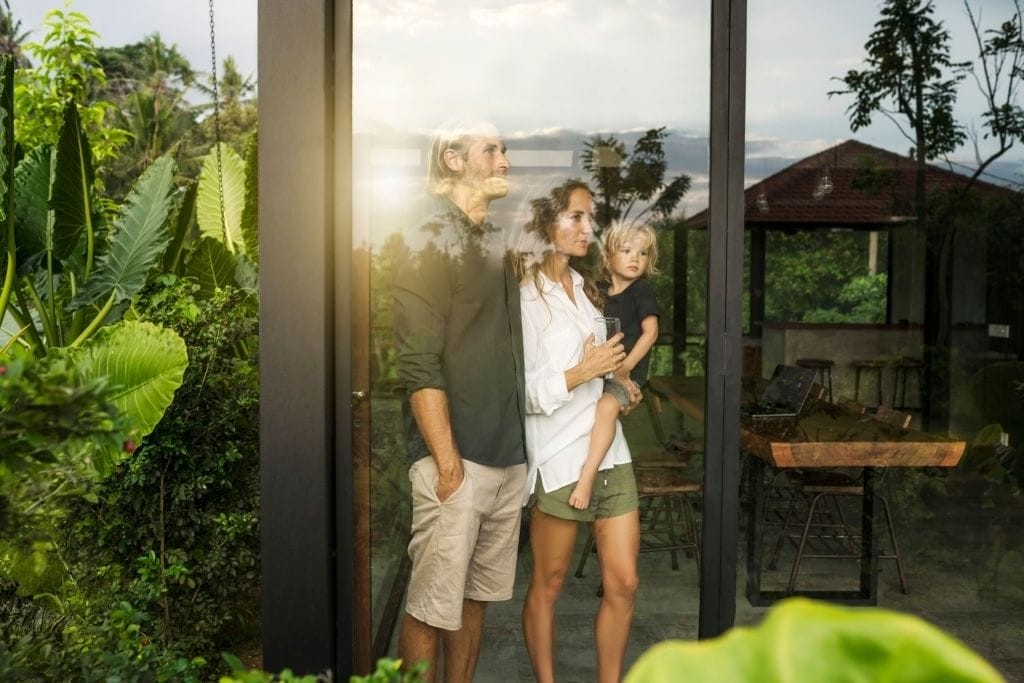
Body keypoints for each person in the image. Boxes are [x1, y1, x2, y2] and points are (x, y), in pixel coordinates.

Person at [392, 122, 527, 683]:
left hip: (506, 458)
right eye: (491, 149)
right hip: (457, 463)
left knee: (475, 600)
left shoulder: (492, 240)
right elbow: (418, 362)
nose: (504, 160)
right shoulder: (426, 238)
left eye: (503, 150)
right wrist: (448, 465)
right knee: (429, 605)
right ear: (453, 159)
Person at [517, 179, 642, 683]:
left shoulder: (586, 290)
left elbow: (600, 369)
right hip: (560, 457)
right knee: (548, 584)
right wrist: (583, 372)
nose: (588, 227)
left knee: (625, 583)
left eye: (590, 217)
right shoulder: (524, 299)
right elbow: (520, 393)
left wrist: (619, 386)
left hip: (611, 451)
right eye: (576, 217)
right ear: (546, 223)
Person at [568, 221, 661, 510]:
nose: (636, 257)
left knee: (607, 408)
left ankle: (588, 475)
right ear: (608, 257)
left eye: (643, 253)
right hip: (601, 370)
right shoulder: (597, 291)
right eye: (627, 250)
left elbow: (651, 332)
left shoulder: (640, 290)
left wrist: (626, 368)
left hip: (625, 373)